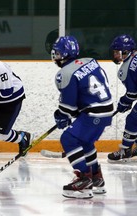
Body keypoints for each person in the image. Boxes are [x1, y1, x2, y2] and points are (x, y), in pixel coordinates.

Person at [51, 36, 114, 199]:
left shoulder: (64, 72)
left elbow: (68, 106)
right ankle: (97, 178)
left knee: (68, 139)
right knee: (85, 142)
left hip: (93, 113)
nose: (55, 56)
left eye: (57, 52)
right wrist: (70, 114)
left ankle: (83, 180)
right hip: (106, 109)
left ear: (63, 53)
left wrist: (61, 116)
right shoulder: (90, 61)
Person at [107, 34, 137, 162]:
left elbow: (133, 93)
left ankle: (125, 150)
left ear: (126, 51)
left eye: (117, 52)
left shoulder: (127, 68)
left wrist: (124, 102)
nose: (115, 56)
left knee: (132, 120)